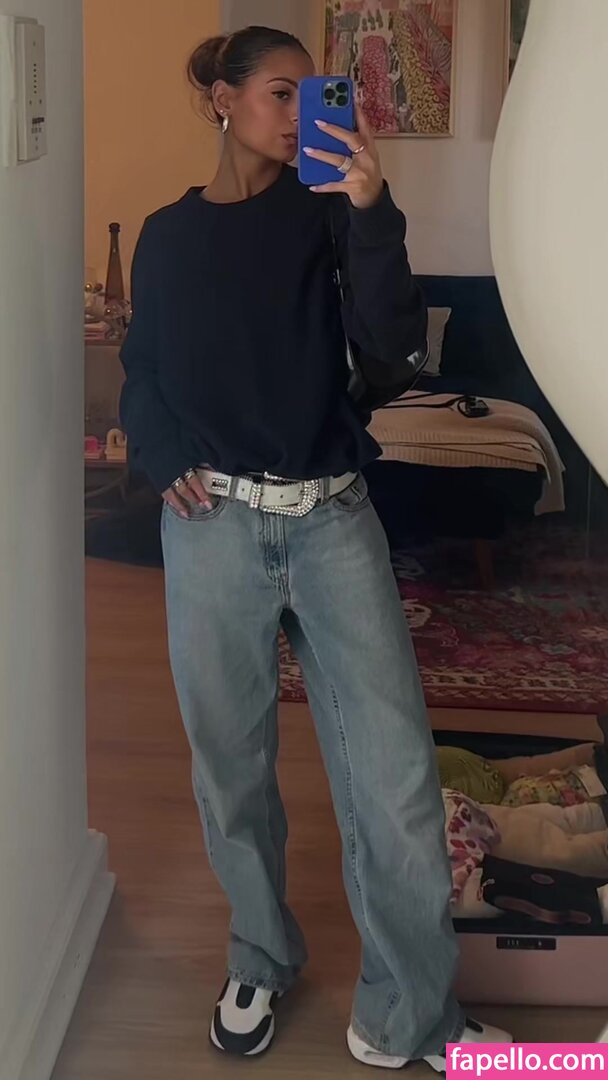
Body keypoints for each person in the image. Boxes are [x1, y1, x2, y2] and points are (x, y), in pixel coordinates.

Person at [119, 24, 512, 1070]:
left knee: (394, 777)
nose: (303, 115)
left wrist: (372, 211)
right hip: (210, 527)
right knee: (230, 770)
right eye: (281, 94)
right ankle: (260, 953)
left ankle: (407, 1017)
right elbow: (144, 368)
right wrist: (159, 453)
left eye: (315, 94)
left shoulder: (331, 211)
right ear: (223, 98)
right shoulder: (166, 236)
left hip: (332, 518)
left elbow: (391, 355)